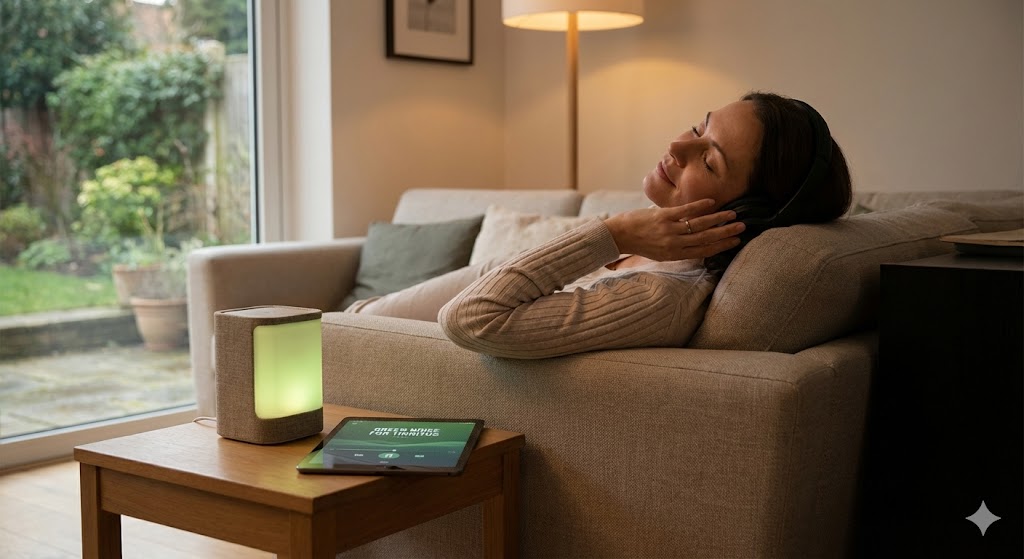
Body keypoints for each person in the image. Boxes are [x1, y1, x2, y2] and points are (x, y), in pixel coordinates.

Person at [346, 91, 853, 358]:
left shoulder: (661, 298)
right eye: (699, 126)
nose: (677, 146)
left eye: (710, 160)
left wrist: (614, 233)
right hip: (357, 328)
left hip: (364, 357)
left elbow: (470, 319)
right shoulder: (652, 255)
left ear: (744, 215)